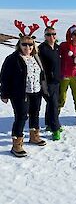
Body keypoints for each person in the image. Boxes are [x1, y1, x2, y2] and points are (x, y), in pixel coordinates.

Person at [0, 20, 47, 157]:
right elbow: (4, 77)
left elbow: (41, 73)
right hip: (20, 93)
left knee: (35, 113)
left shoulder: (35, 57)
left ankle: (34, 136)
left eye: (30, 44)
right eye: (24, 44)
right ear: (19, 45)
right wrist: (4, 93)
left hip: (36, 91)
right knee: (21, 116)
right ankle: (17, 144)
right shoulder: (12, 59)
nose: (27, 47)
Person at [38, 15, 62, 140]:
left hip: (57, 80)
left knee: (53, 103)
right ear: (45, 36)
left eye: (53, 34)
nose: (51, 37)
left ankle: (49, 124)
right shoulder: (41, 49)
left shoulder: (57, 48)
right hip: (47, 81)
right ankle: (55, 128)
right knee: (53, 104)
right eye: (48, 34)